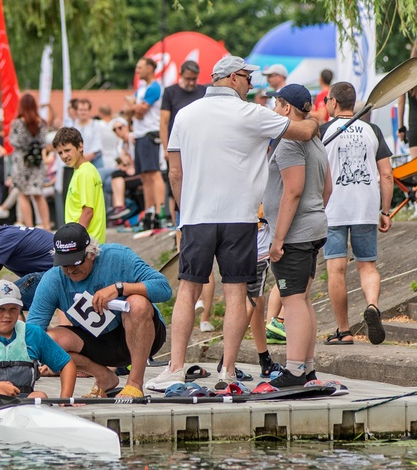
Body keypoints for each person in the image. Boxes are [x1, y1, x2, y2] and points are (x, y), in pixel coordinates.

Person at [154, 55, 319, 391]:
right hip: (240, 218)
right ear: (231, 78)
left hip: (197, 217)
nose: (251, 84)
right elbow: (302, 132)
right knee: (234, 295)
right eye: (247, 77)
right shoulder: (251, 113)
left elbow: (175, 172)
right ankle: (227, 372)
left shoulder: (185, 115)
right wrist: (316, 120)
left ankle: (174, 368)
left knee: (187, 290)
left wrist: (186, 212)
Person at [26, 223, 170, 398]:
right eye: (65, 265)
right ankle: (104, 377)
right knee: (47, 340)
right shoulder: (53, 279)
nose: (71, 270)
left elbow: (164, 288)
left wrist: (120, 288)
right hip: (97, 343)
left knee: (137, 303)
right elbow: (33, 331)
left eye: (76, 262)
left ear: (92, 254)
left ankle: (134, 384)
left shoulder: (118, 257)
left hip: (142, 334)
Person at [261, 84, 333, 387]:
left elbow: (293, 190)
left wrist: (278, 240)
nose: (275, 111)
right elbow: (327, 188)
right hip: (312, 228)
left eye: (277, 105)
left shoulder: (291, 143)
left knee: (292, 302)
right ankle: (308, 368)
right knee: (302, 300)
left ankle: (293, 371)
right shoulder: (316, 139)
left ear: (286, 108)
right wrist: (314, 215)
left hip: (295, 235)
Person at [321, 81, 394, 346]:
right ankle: (373, 306)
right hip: (366, 207)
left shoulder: (323, 131)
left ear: (333, 102)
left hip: (333, 208)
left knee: (336, 269)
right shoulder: (372, 130)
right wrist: (385, 211)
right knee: (367, 265)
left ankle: (344, 331)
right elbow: (386, 174)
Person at [0, 279, 77, 399]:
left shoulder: (33, 334)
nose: (7, 316)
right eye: (1, 309)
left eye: (13, 309)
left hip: (25, 404)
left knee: (39, 395)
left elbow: (66, 364)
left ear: (20, 309)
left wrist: (65, 399)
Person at [159, 60, 207, 227]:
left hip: (199, 146)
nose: (191, 83)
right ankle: (177, 226)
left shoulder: (204, 91)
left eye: (194, 79)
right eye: (188, 79)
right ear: (181, 75)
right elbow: (164, 123)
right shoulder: (170, 92)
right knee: (177, 183)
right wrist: (166, 147)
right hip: (177, 147)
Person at [126, 57, 166, 227]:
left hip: (150, 133)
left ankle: (159, 211)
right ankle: (149, 210)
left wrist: (131, 108)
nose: (137, 70)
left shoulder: (154, 87)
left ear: (150, 68)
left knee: (153, 173)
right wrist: (132, 108)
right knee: (144, 175)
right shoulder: (140, 88)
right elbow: (129, 111)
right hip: (140, 134)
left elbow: (139, 111)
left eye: (140, 67)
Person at [52, 127, 106, 242]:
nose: (64, 156)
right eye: (60, 153)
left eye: (67, 150)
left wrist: (76, 241)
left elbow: (87, 211)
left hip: (85, 243)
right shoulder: (81, 170)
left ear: (80, 146)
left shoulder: (84, 172)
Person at [10, 94, 51, 230]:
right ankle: (46, 225)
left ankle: (29, 227)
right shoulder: (42, 123)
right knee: (38, 195)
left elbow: (14, 142)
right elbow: (44, 141)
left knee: (23, 195)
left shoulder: (17, 123)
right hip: (37, 162)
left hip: (22, 163)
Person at [398, 44, 417, 160]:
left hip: (414, 126)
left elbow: (401, 102)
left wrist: (401, 128)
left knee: (414, 169)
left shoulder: (407, 74)